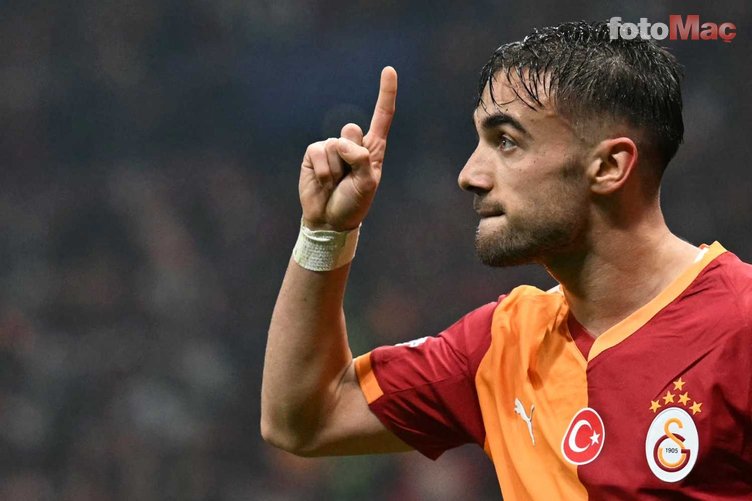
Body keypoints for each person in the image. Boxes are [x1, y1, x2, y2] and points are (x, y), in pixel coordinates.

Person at [260, 20, 752, 499]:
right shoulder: (501, 344)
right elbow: (304, 420)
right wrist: (324, 233)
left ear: (608, 166)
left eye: (507, 142)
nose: (469, 175)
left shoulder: (741, 325)